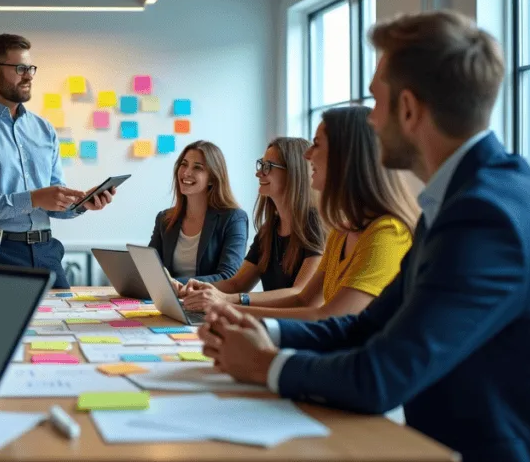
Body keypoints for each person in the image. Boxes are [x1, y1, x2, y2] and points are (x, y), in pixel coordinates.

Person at [200, 10, 530, 462]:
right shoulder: (465, 199)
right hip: (423, 450)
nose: (371, 120)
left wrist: (264, 364)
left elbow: (379, 377)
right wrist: (263, 332)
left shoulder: (485, 218)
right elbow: (365, 327)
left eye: (376, 101)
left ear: (410, 109)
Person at [188, 106, 417, 320]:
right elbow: (303, 299)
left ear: (345, 157)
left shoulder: (387, 234)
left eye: (317, 144)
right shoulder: (341, 230)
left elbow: (326, 317)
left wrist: (228, 308)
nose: (307, 155)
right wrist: (226, 308)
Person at [0, 34, 115, 289]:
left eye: (31, 68)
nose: (29, 76)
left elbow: (52, 202)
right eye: (20, 69)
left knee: (63, 327)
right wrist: (33, 198)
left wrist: (80, 204)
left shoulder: (44, 129)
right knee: (0, 329)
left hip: (47, 252)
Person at [177, 138, 324, 306]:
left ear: (294, 172)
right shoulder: (268, 230)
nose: (259, 173)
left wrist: (229, 299)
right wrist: (197, 288)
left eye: (268, 167)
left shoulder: (315, 225)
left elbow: (300, 293)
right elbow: (237, 284)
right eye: (261, 165)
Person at [148, 141, 249, 284]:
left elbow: (229, 276)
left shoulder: (234, 219)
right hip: (166, 301)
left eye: (197, 167)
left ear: (212, 178)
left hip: (209, 303)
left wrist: (173, 283)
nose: (186, 172)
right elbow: (149, 268)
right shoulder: (164, 219)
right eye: (184, 164)